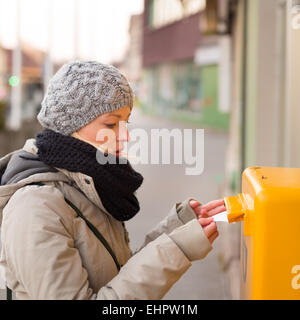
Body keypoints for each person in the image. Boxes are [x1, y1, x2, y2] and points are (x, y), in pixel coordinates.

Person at [0, 61, 225, 300]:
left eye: (125, 122)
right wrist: (177, 249)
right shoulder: (36, 206)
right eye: (111, 123)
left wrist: (177, 230)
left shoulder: (89, 183)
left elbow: (118, 277)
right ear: (70, 124)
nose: (125, 136)